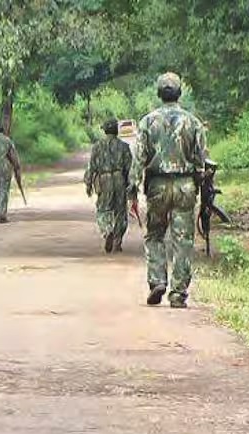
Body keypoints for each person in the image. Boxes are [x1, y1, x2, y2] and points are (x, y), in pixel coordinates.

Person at [128, 72, 207, 308]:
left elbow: (138, 159)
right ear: (179, 93)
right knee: (183, 240)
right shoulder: (193, 122)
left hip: (157, 186)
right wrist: (199, 181)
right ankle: (178, 293)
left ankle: (157, 281)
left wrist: (132, 187)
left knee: (155, 234)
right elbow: (201, 159)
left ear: (159, 93)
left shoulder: (147, 122)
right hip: (185, 185)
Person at [84, 118, 132, 253]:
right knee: (120, 212)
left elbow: (91, 167)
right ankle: (117, 241)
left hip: (104, 180)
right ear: (117, 130)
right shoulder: (124, 146)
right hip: (119, 179)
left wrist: (88, 183)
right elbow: (130, 168)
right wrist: (132, 187)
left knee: (103, 209)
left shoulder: (97, 146)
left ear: (104, 130)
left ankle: (107, 230)